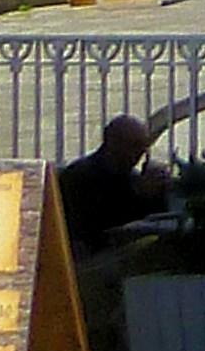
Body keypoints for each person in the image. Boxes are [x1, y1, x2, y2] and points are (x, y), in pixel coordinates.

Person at [57, 111, 176, 258]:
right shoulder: (80, 175)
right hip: (94, 257)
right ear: (113, 142)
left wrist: (156, 194)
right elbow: (99, 226)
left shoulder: (130, 177)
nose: (140, 153)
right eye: (135, 145)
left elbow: (154, 221)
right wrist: (139, 194)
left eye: (144, 147)